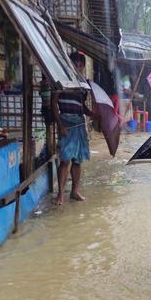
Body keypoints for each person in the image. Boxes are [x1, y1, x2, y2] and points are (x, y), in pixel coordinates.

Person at [52, 52, 95, 205]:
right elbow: (54, 104)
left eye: (80, 64)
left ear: (83, 66)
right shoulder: (61, 80)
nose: (77, 67)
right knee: (65, 159)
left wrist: (92, 114)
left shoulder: (83, 85)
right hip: (66, 122)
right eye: (74, 63)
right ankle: (60, 194)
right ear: (69, 64)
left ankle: (75, 191)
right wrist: (60, 125)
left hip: (79, 123)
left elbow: (82, 107)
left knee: (78, 160)